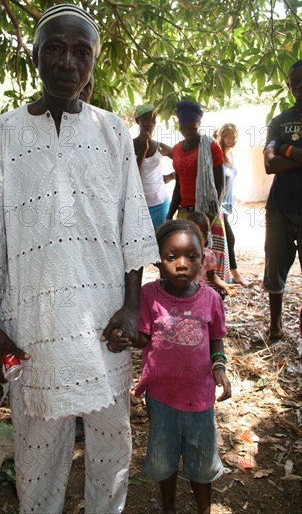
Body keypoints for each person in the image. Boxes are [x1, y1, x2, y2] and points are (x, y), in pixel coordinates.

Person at [0, 4, 159, 514]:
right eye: (55, 48)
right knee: (37, 445)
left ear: (93, 64)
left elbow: (132, 222)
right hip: (33, 323)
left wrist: (132, 307)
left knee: (110, 445)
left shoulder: (112, 132)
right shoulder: (3, 135)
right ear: (36, 57)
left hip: (104, 321)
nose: (68, 62)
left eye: (81, 52)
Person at [108, 219, 231, 514]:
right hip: (162, 398)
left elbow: (216, 340)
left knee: (201, 461)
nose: (182, 265)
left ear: (204, 259)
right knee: (164, 460)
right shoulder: (150, 296)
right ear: (158, 260)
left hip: (200, 400)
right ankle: (169, 507)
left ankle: (204, 508)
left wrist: (220, 367)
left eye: (192, 257)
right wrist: (125, 337)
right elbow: (143, 337)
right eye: (171, 257)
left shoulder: (212, 298)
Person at [168, 100, 231, 284]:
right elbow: (178, 186)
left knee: (210, 260)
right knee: (186, 260)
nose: (187, 130)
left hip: (207, 213)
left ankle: (212, 301)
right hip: (185, 213)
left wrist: (209, 217)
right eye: (183, 127)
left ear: (199, 124)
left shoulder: (210, 146)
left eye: (191, 127)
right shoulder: (177, 150)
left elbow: (220, 184)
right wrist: (170, 214)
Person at [263, 60, 302, 343]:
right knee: (274, 266)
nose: (298, 86)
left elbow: (277, 158)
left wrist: (285, 152)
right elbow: (269, 163)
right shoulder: (279, 121)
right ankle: (275, 328)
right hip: (279, 206)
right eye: (293, 82)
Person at [133, 104, 174, 229]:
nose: (148, 122)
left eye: (152, 118)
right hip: (138, 205)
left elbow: (183, 161)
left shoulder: (161, 148)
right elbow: (133, 176)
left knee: (161, 242)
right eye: (144, 118)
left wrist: (171, 176)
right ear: (137, 121)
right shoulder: (129, 146)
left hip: (161, 203)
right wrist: (143, 150)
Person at [216, 123, 244, 285]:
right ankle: (235, 273)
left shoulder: (230, 155)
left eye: (235, 137)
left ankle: (222, 273)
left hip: (228, 204)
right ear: (222, 137)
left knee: (225, 240)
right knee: (230, 239)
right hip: (219, 205)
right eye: (230, 137)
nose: (233, 140)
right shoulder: (218, 155)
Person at [187, 211, 239, 297]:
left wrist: (224, 285)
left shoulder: (208, 254)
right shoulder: (181, 255)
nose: (202, 235)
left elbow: (212, 276)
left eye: (205, 232)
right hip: (184, 295)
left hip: (200, 296)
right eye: (197, 232)